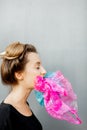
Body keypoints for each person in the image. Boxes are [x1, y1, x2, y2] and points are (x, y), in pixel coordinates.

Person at [0, 42, 46, 130]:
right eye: (37, 67)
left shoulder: (24, 105)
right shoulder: (4, 115)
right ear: (19, 74)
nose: (44, 71)